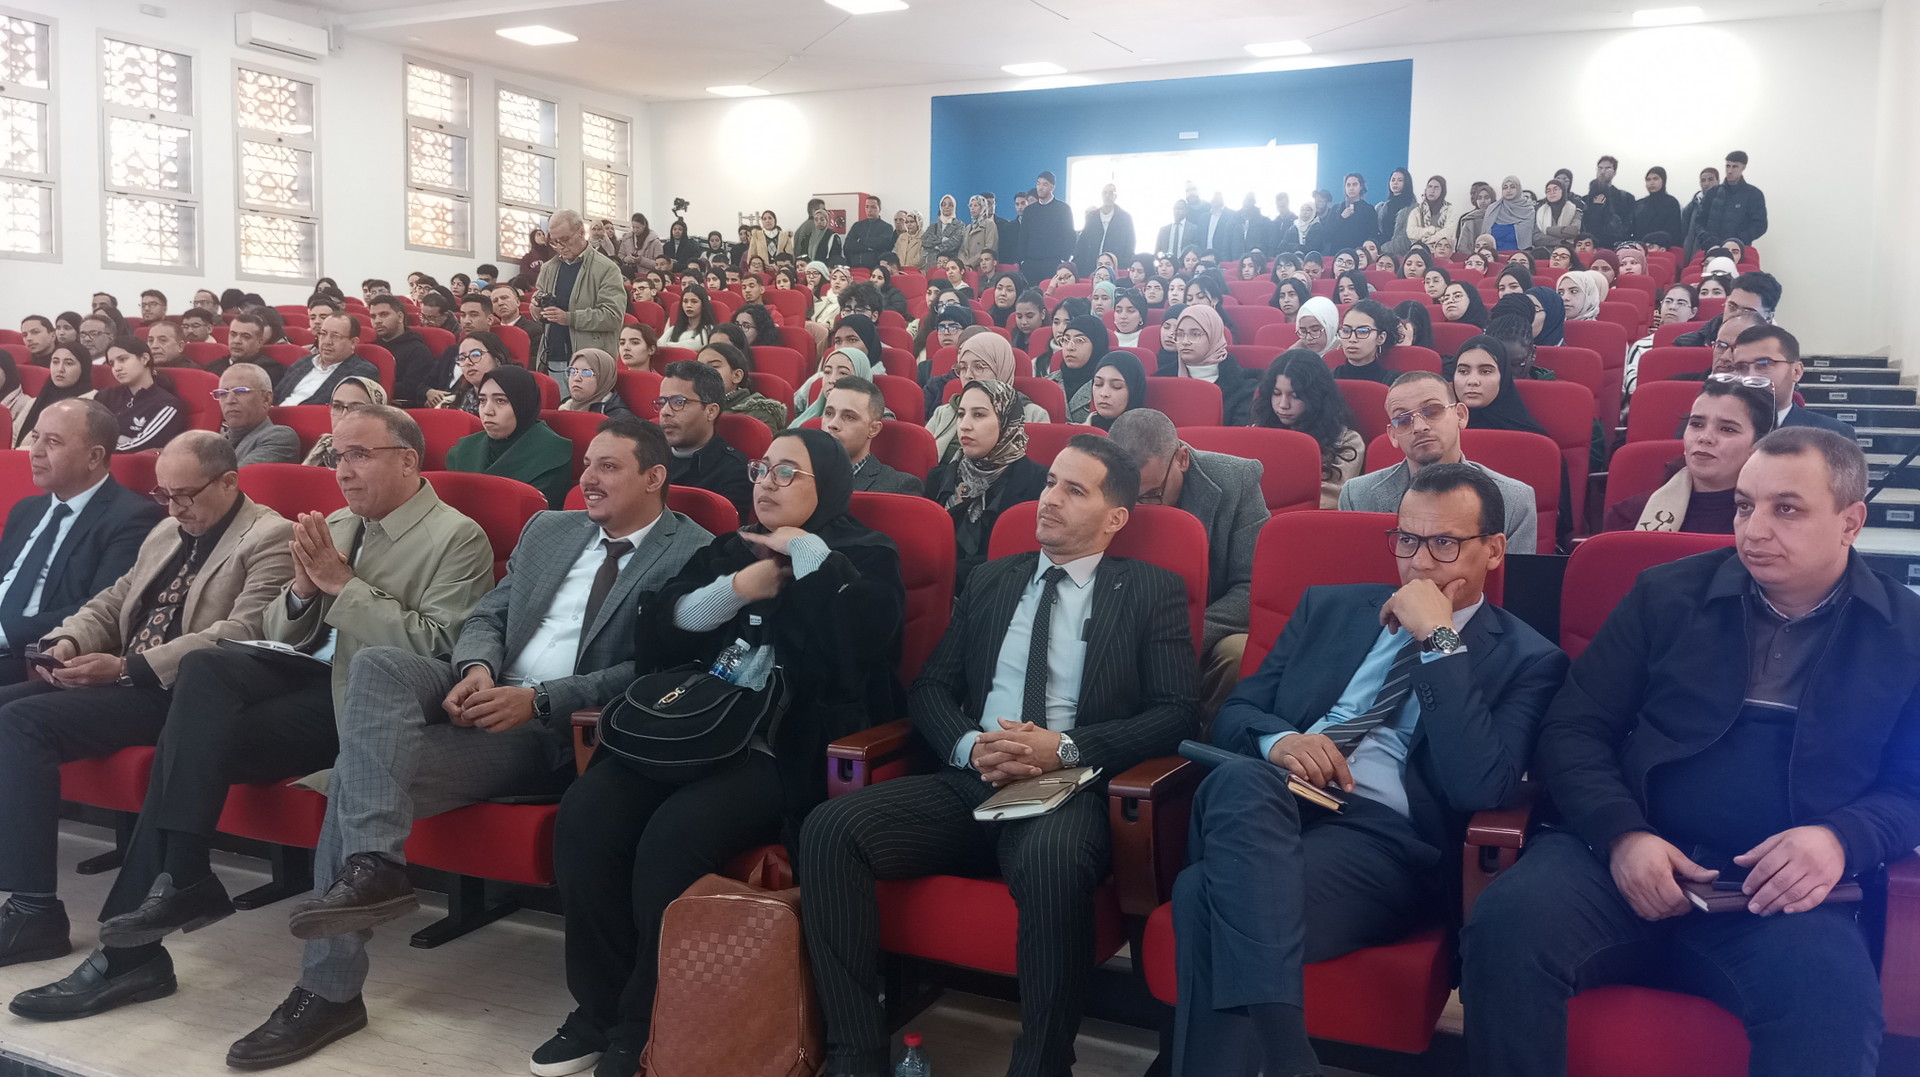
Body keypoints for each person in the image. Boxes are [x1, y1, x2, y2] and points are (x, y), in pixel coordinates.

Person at [13, 407, 495, 1030]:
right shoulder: (336, 524)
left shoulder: (457, 536)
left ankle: (136, 945)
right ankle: (174, 886)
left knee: (184, 748)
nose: (342, 470)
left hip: (361, 703)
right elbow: (275, 632)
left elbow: (439, 650)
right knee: (204, 675)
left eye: (359, 455)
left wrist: (340, 586)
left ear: (407, 460)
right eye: (337, 456)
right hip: (296, 681)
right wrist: (301, 594)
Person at [249, 416, 703, 1070]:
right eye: (587, 463)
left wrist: (538, 699)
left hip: (551, 727)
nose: (588, 478)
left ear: (654, 477)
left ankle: (328, 991)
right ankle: (374, 864)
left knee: (356, 773)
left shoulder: (693, 552)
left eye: (608, 466)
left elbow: (655, 670)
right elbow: (489, 614)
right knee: (377, 664)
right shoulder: (551, 529)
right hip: (484, 684)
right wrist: (477, 669)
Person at [1466, 427, 1909, 1077]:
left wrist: (1842, 838)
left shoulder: (1904, 635)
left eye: (1787, 508)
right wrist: (1622, 836)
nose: (1754, 529)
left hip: (1774, 898)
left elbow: (1912, 787)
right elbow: (1573, 729)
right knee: (1507, 925)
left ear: (1851, 521)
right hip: (1622, 857)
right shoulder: (1665, 594)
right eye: (1744, 505)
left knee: (1831, 1005)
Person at [803, 435, 1197, 1077]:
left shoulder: (1151, 590)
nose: (1050, 498)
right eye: (1050, 483)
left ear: (1116, 517)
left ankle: (1042, 1064)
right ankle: (854, 1056)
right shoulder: (991, 580)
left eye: (1074, 490)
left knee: (1051, 860)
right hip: (971, 778)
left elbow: (1177, 711)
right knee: (829, 830)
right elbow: (931, 687)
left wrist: (1064, 747)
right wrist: (969, 746)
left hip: (1067, 788)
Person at [1180, 459, 1566, 1077]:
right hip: (1273, 800)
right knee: (1240, 775)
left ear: (1494, 551)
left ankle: (1276, 1057)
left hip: (1382, 840)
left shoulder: (1530, 659)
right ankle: (1290, 1059)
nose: (1419, 563)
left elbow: (1478, 784)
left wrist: (1440, 640)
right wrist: (1281, 741)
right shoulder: (1328, 608)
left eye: (1444, 544)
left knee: (1202, 894)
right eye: (1407, 540)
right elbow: (1236, 715)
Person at [541, 427, 902, 1077]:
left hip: (777, 747)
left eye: (787, 472)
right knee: (586, 813)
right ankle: (596, 1009)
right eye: (762, 468)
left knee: (673, 837)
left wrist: (808, 558)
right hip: (688, 728)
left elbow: (853, 656)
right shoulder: (730, 547)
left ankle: (642, 1021)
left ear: (828, 484)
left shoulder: (866, 554)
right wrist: (738, 587)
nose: (766, 481)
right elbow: (658, 634)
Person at [0, 433, 292, 968]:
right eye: (164, 495)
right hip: (122, 675)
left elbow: (242, 632)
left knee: (21, 723)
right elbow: (111, 603)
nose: (175, 508)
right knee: (7, 710)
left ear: (229, 482)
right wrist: (68, 640)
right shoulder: (166, 530)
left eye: (186, 495)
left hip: (177, 693)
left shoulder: (270, 536)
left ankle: (34, 911)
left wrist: (125, 667)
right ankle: (25, 901)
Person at [1110, 409, 1268, 709]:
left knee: (1237, 652)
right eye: (1129, 498)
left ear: (1182, 459)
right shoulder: (1098, 480)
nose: (1141, 508)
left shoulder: (1238, 480)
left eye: (1152, 494)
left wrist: (1181, 635)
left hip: (1205, 623)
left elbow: (1253, 587)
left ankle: (1205, 733)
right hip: (1123, 623)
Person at [0, 399, 164, 687]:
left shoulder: (133, 518)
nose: (35, 451)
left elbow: (101, 607)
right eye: (35, 437)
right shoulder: (26, 509)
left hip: (31, 653)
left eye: (53, 442)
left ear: (94, 456)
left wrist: (4, 632)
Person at [1339, 372, 1539, 553]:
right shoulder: (1357, 496)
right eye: (1403, 420)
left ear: (1460, 415)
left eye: (1432, 411)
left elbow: (1511, 581)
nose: (1419, 427)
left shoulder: (1514, 500)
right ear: (1393, 435)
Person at [1604, 375, 1776, 533]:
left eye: (1727, 429)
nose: (1705, 438)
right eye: (1696, 424)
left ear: (1759, 444)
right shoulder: (1628, 517)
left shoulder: (1780, 522)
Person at [924, 380, 1049, 589]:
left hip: (998, 593)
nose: (964, 425)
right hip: (934, 591)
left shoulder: (1039, 483)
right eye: (961, 414)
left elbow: (1018, 561)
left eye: (979, 415)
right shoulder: (938, 478)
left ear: (1006, 421)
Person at [444, 367, 575, 511]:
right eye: (482, 400)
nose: (487, 411)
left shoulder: (553, 452)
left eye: (500, 400)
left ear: (523, 403)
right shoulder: (464, 448)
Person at [1256, 350, 1365, 508]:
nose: (1283, 405)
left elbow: (1330, 497)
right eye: (1276, 394)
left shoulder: (1347, 441)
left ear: (1315, 396)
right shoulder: (1257, 431)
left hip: (1305, 518)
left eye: (1295, 396)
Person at [925, 333, 1050, 463]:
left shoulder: (1034, 415)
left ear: (1001, 368)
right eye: (963, 368)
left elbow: (1035, 470)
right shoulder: (944, 412)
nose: (968, 375)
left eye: (979, 367)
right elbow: (923, 460)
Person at [532, 210, 628, 378]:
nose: (560, 246)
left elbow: (612, 316)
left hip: (590, 360)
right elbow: (540, 301)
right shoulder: (548, 268)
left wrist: (569, 318)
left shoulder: (606, 269)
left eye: (565, 239)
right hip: (553, 354)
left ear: (581, 232)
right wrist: (536, 308)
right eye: (554, 241)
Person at [655, 360, 752, 520]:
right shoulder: (646, 454)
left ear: (711, 411)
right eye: (662, 402)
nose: (665, 412)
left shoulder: (733, 470)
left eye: (678, 402)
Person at [1727, 324, 1855, 437]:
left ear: (1796, 371)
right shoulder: (1721, 429)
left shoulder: (1832, 434)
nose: (1751, 376)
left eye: (1764, 364)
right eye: (1741, 367)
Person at [820, 376, 922, 495]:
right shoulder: (803, 474)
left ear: (873, 429)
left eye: (849, 417)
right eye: (829, 413)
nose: (832, 424)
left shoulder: (899, 487)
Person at [1159, 304, 1255, 425]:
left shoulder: (1243, 388)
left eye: (1195, 334)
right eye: (1180, 334)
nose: (1185, 341)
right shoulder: (1162, 381)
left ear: (1214, 336)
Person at [97, 337, 188, 453]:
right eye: (112, 363)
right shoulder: (105, 396)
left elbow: (139, 446)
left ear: (144, 359)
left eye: (123, 359)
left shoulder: (167, 405)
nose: (117, 368)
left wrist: (97, 453)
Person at [277, 314, 380, 407]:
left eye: (335, 336)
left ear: (353, 342)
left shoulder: (362, 371)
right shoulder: (303, 362)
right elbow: (276, 395)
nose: (327, 341)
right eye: (323, 334)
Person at [214, 364, 300, 466]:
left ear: (266, 399)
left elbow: (234, 476)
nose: (229, 401)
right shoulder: (215, 441)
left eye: (240, 391)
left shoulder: (280, 437)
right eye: (223, 393)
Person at [696, 341, 786, 434]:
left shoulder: (758, 415)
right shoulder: (690, 407)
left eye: (714, 366)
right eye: (698, 369)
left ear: (736, 376)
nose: (702, 373)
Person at [16, 345, 95, 448]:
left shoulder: (91, 404)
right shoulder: (34, 402)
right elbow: (13, 436)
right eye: (55, 362)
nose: (60, 369)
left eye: (69, 363)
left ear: (84, 368)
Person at [302, 378, 386, 469]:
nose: (344, 415)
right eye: (337, 406)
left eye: (356, 408)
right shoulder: (323, 450)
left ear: (377, 415)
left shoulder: (387, 458)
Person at [1694, 150, 1768, 249]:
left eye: (1735, 166)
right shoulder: (1712, 193)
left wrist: (1737, 241)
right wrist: (1706, 238)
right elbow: (1699, 221)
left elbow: (1760, 225)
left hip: (1738, 250)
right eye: (1727, 166)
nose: (1729, 171)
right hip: (1711, 248)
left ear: (1743, 167)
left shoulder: (1753, 194)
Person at [1050, 314, 1111, 424]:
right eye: (1066, 340)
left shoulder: (1108, 388)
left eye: (1079, 340)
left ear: (1097, 345)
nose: (1069, 347)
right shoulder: (1048, 382)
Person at [1331, 300, 1401, 387]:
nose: (1352, 339)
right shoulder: (1328, 378)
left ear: (1381, 338)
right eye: (1346, 330)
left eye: (1363, 331)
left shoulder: (1393, 381)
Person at [1075, 183, 1136, 273]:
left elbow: (1130, 243)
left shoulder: (1125, 218)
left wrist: (1123, 263)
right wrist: (1079, 261)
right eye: (1105, 193)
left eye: (1111, 193)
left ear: (1115, 196)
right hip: (1090, 266)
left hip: (1115, 267)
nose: (1107, 196)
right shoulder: (1092, 216)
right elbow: (1083, 241)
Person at [1087, 351, 1148, 432]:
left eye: (1116, 386)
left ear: (1134, 392)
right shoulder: (1079, 433)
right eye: (1098, 383)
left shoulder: (1150, 437)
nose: (1104, 393)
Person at [1484, 176, 1535, 250]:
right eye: (1505, 188)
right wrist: (1511, 230)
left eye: (1512, 187)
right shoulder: (1493, 209)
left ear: (1518, 189)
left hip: (1519, 254)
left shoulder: (1527, 210)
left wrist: (1499, 230)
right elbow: (1485, 236)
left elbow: (1526, 235)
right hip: (1493, 253)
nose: (1508, 190)